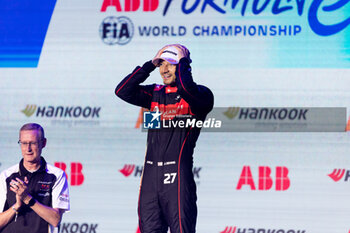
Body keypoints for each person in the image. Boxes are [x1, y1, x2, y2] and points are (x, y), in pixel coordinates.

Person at [115, 44, 214, 233]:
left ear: (183, 67)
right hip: (150, 177)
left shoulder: (201, 96)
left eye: (170, 64)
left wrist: (184, 61)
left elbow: (186, 88)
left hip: (177, 175)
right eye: (161, 64)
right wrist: (148, 66)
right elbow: (122, 91)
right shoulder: (155, 93)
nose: (164, 69)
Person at [0, 123, 70, 233]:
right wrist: (17, 206)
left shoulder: (56, 175)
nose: (28, 149)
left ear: (43, 143)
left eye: (32, 143)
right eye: (23, 143)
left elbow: (55, 220)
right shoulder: (6, 176)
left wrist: (27, 198)